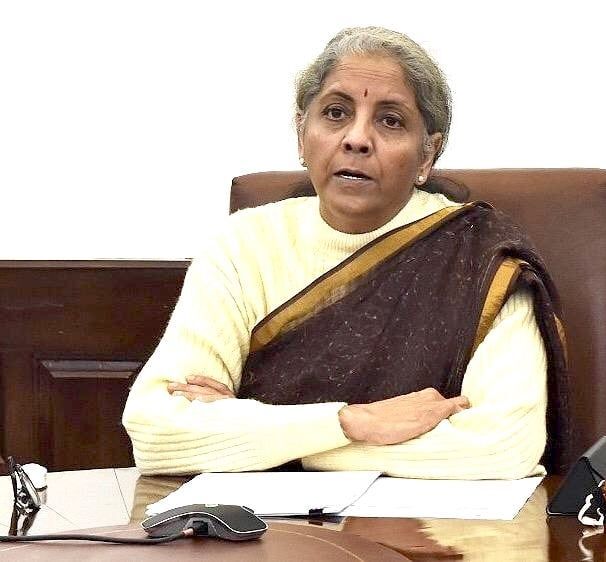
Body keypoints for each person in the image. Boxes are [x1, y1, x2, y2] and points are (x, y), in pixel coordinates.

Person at [122, 26, 567, 479]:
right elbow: (155, 432)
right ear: (302, 135)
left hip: (433, 523)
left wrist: (262, 441)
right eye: (336, 113)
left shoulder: (480, 256)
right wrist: (353, 421)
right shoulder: (243, 244)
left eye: (390, 120)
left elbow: (503, 447)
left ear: (427, 156)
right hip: (268, 523)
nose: (357, 138)